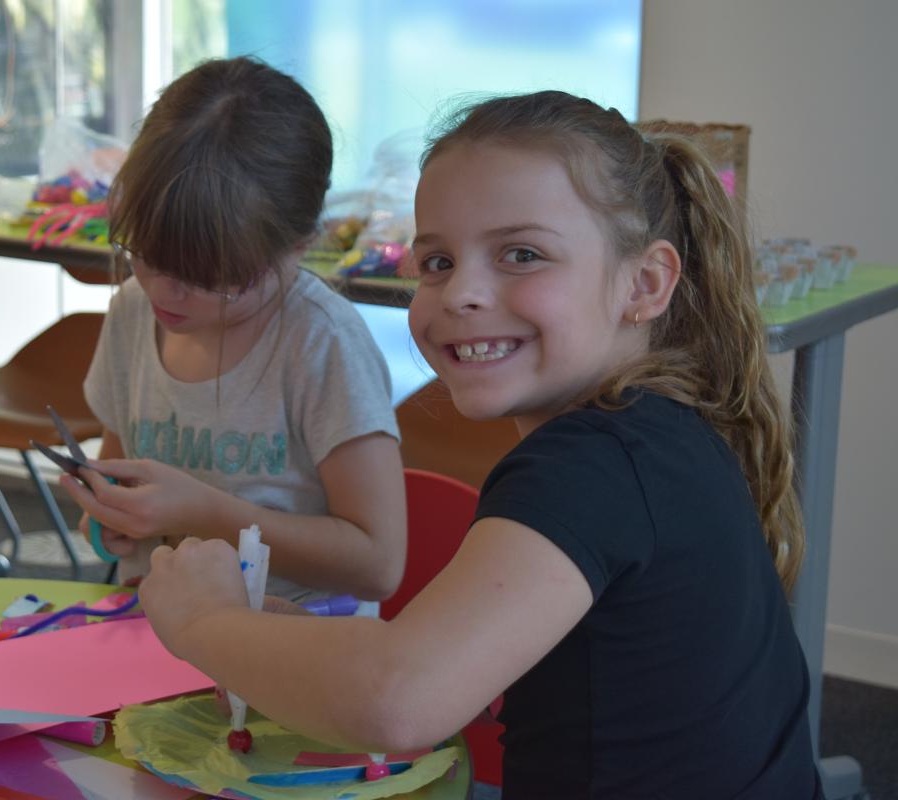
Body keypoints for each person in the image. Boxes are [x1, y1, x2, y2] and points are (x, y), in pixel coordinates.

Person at [136, 90, 824, 798]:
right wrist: (275, 643)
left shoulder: (591, 466)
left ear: (644, 284)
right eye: (437, 262)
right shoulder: (656, 432)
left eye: (521, 254)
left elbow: (397, 699)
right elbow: (440, 670)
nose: (462, 292)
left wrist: (201, 621)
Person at [60, 56, 406, 604]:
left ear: (297, 246)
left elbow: (378, 565)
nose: (163, 293)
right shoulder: (133, 311)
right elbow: (119, 486)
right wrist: (112, 519)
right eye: (146, 257)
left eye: (209, 279)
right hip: (159, 628)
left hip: (297, 652)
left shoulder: (322, 343)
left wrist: (206, 513)